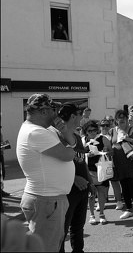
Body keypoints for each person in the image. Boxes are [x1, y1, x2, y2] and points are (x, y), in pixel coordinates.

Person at [16, 94, 75, 252]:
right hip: (47, 200)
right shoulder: (36, 132)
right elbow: (68, 154)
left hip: (48, 199)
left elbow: (72, 143)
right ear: (43, 111)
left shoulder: (44, 129)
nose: (56, 113)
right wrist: (72, 148)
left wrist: (64, 130)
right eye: (53, 109)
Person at [58, 102, 96, 253]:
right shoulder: (60, 136)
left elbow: (82, 161)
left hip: (83, 188)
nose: (82, 118)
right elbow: (56, 162)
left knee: (78, 227)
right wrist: (73, 178)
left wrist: (90, 181)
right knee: (63, 229)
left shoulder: (77, 137)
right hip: (68, 190)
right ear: (73, 116)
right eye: (80, 115)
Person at [110, 109, 133, 219]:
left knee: (132, 185)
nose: (121, 123)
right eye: (119, 121)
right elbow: (110, 143)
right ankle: (129, 209)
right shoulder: (112, 131)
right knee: (124, 186)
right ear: (116, 121)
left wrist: (129, 139)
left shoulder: (131, 130)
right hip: (118, 162)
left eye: (123, 120)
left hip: (131, 161)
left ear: (126, 120)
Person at [82, 120, 113, 225]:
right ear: (86, 131)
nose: (92, 132)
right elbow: (79, 154)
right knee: (91, 193)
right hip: (88, 169)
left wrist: (104, 152)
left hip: (101, 168)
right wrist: (87, 154)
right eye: (90, 131)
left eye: (94, 130)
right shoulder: (83, 140)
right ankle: (91, 215)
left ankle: (102, 214)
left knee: (102, 191)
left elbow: (112, 151)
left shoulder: (103, 139)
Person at [99, 118, 123, 210]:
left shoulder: (111, 136)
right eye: (103, 125)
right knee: (102, 184)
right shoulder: (97, 136)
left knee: (114, 182)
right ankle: (103, 201)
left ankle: (119, 201)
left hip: (111, 163)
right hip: (100, 164)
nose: (105, 127)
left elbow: (115, 149)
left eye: (107, 125)